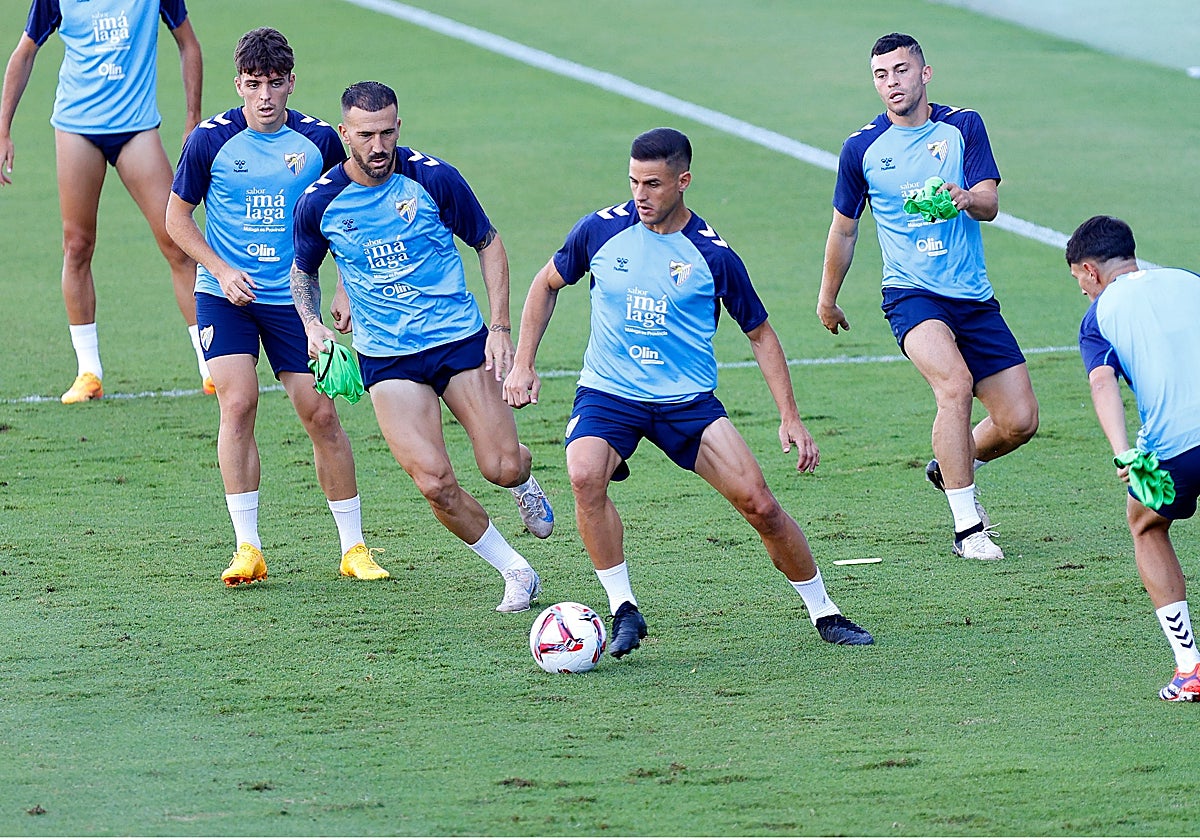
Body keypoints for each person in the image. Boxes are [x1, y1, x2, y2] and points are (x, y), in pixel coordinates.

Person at [504, 127, 874, 657]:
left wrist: (789, 416)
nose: (640, 195)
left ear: (683, 181)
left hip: (687, 403)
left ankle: (825, 612)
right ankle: (624, 608)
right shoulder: (600, 231)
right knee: (584, 476)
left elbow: (760, 334)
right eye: (634, 182)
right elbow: (546, 284)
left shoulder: (712, 255)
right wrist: (523, 363)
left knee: (762, 507)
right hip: (610, 394)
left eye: (653, 184)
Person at [290, 81, 553, 613]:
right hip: (387, 357)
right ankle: (516, 571)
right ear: (345, 134)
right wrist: (313, 325)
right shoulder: (319, 201)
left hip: (456, 339)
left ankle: (523, 480)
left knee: (501, 466)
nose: (378, 145)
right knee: (434, 483)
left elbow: (488, 242)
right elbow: (303, 271)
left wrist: (500, 328)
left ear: (398, 127)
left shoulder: (433, 178)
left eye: (387, 132)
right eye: (366, 135)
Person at [165, 29, 390, 586]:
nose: (264, 96)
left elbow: (350, 212)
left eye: (274, 83)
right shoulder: (210, 141)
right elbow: (176, 220)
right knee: (238, 403)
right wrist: (220, 269)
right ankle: (248, 548)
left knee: (322, 415)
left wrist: (343, 287)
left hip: (295, 300)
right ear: (238, 83)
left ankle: (354, 548)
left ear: (292, 82)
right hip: (227, 297)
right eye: (253, 84)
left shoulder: (320, 141)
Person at [817, 32, 1038, 561]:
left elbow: (989, 203)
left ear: (925, 73)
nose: (891, 82)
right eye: (881, 75)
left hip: (973, 297)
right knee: (954, 385)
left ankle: (952, 466)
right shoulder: (861, 149)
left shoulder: (964, 126)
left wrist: (967, 197)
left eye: (900, 70)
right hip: (911, 294)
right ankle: (968, 528)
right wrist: (828, 298)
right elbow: (844, 229)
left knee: (1019, 422)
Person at [0, 0, 213, 402]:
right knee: (77, 246)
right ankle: (88, 372)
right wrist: (3, 129)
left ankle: (211, 365)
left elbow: (189, 43)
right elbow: (25, 51)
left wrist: (192, 118)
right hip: (77, 129)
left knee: (179, 242)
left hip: (137, 130)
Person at [1068, 215, 1200, 701]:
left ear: (1090, 270)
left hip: (1175, 448)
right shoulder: (1189, 279)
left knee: (1146, 524)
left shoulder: (1098, 317)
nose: (1082, 290)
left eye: (1079, 279)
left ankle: (1189, 668)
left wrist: (1122, 452)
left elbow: (1103, 384)